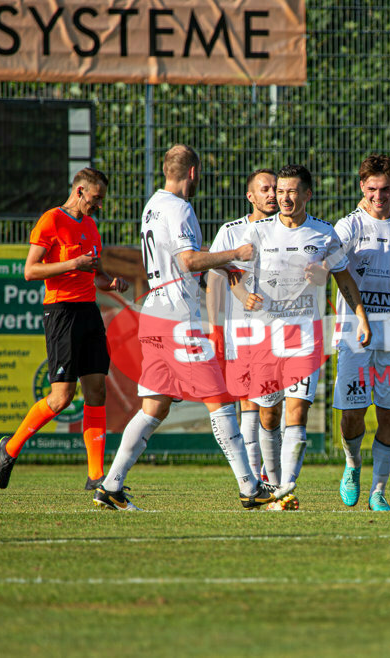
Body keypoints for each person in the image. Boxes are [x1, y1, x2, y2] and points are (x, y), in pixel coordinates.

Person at [93, 145, 273, 511]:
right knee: (220, 400)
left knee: (153, 407)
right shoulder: (180, 208)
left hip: (154, 313)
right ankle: (249, 487)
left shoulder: (152, 205)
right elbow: (188, 260)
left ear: (165, 170)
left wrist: (219, 265)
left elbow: (183, 259)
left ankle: (110, 485)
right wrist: (233, 255)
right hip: (179, 317)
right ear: (194, 172)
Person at [233, 164, 371, 510]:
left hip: (306, 337)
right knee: (268, 415)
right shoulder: (258, 231)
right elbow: (232, 273)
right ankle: (271, 483)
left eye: (292, 191)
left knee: (297, 411)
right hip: (264, 336)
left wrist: (361, 318)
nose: (284, 198)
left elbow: (345, 279)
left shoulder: (324, 234)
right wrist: (242, 296)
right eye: (279, 192)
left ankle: (285, 489)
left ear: (307, 194)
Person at [0, 168, 130, 490]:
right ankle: (10, 448)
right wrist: (71, 264)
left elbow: (94, 273)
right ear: (80, 191)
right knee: (61, 398)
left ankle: (96, 476)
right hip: (61, 312)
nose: (99, 206)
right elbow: (30, 271)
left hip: (88, 311)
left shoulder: (92, 226)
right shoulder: (51, 220)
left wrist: (111, 283)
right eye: (96, 199)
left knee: (97, 389)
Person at [334, 154, 390, 512]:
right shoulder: (348, 226)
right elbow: (331, 266)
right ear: (362, 188)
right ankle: (352, 464)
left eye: (385, 189)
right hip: (356, 332)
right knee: (353, 411)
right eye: (371, 189)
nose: (378, 195)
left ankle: (378, 491)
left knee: (389, 412)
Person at [207, 169, 281, 485]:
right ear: (250, 196)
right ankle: (256, 480)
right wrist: (214, 328)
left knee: (271, 408)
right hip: (243, 330)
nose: (273, 194)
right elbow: (214, 277)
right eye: (265, 189)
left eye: (276, 188)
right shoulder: (231, 231)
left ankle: (271, 472)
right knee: (247, 401)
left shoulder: (289, 229)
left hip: (279, 332)